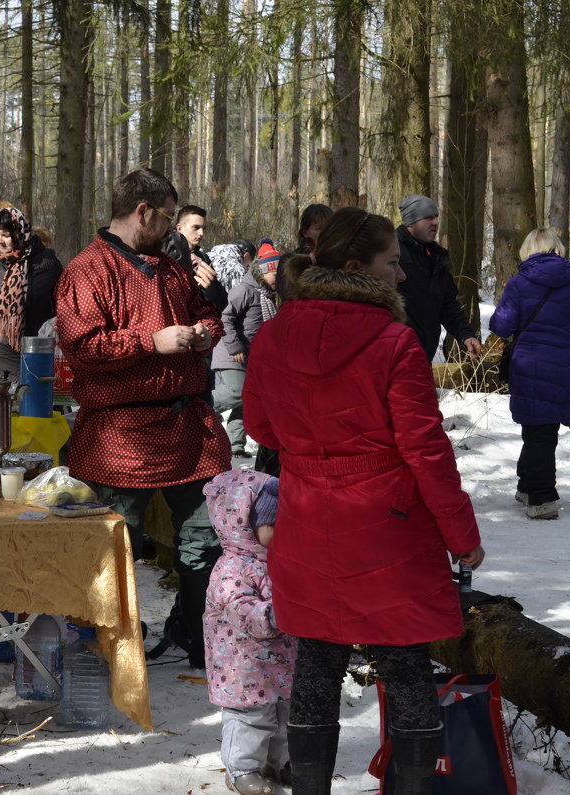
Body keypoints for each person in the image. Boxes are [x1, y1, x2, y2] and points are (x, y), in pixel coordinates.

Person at [242, 206, 485, 794]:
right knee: (404, 669)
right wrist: (463, 537)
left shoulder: (277, 331)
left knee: (318, 665)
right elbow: (426, 451)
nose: (402, 276)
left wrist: (313, 454)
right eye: (392, 263)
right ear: (357, 267)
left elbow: (260, 425)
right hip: (388, 526)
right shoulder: (395, 341)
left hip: (306, 521)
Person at [56, 168, 229, 670]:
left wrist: (203, 332)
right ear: (142, 212)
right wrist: (150, 341)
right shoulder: (87, 270)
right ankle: (103, 650)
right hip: (120, 433)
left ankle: (192, 633)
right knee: (112, 550)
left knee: (206, 542)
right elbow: (82, 345)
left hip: (190, 429)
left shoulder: (172, 266)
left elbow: (208, 310)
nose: (173, 228)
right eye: (169, 217)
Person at [203, 469, 294, 795]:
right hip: (242, 667)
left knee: (284, 716)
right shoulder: (232, 569)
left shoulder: (277, 559)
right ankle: (241, 770)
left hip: (281, 663)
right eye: (272, 525)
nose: (281, 531)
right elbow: (247, 614)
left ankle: (279, 762)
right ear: (242, 524)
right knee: (251, 719)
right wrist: (284, 610)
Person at [488, 228, 570, 521]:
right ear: (557, 249)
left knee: (539, 431)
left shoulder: (520, 283)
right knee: (540, 433)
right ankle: (526, 485)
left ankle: (541, 498)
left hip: (532, 364)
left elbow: (502, 326)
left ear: (528, 250)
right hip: (566, 363)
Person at [0, 206, 63, 381]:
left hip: (36, 352)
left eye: (5, 235)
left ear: (21, 234)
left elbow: (65, 301)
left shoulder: (46, 263)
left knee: (35, 405)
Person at [395, 194, 483, 362]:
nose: (435, 222)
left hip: (422, 357)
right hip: (395, 355)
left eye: (436, 217)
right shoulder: (391, 251)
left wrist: (465, 334)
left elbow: (447, 304)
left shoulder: (436, 257)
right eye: (428, 217)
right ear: (411, 222)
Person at [213, 240, 280, 458]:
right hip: (231, 353)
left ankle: (236, 444)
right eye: (275, 275)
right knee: (237, 392)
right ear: (263, 272)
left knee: (246, 397)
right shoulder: (245, 290)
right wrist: (234, 347)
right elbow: (225, 317)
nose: (278, 281)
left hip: (250, 356)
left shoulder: (267, 296)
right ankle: (201, 407)